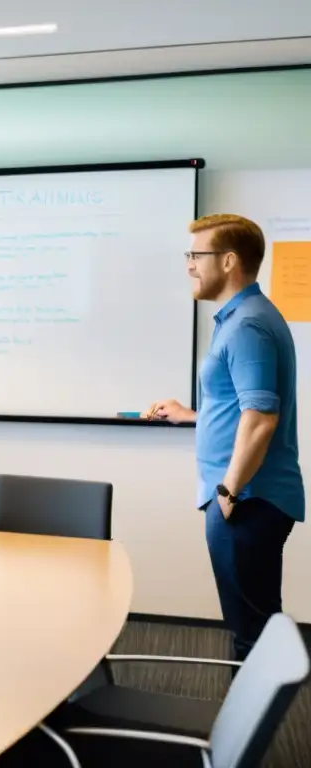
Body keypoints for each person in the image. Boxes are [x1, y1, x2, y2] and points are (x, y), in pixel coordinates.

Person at [144, 213, 303, 662]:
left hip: (246, 499)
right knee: (251, 625)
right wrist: (192, 414)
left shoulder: (248, 325)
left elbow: (261, 418)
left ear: (229, 260)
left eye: (196, 255)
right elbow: (243, 409)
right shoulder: (243, 317)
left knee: (250, 633)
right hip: (246, 496)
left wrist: (228, 493)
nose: (189, 265)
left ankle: (245, 731)